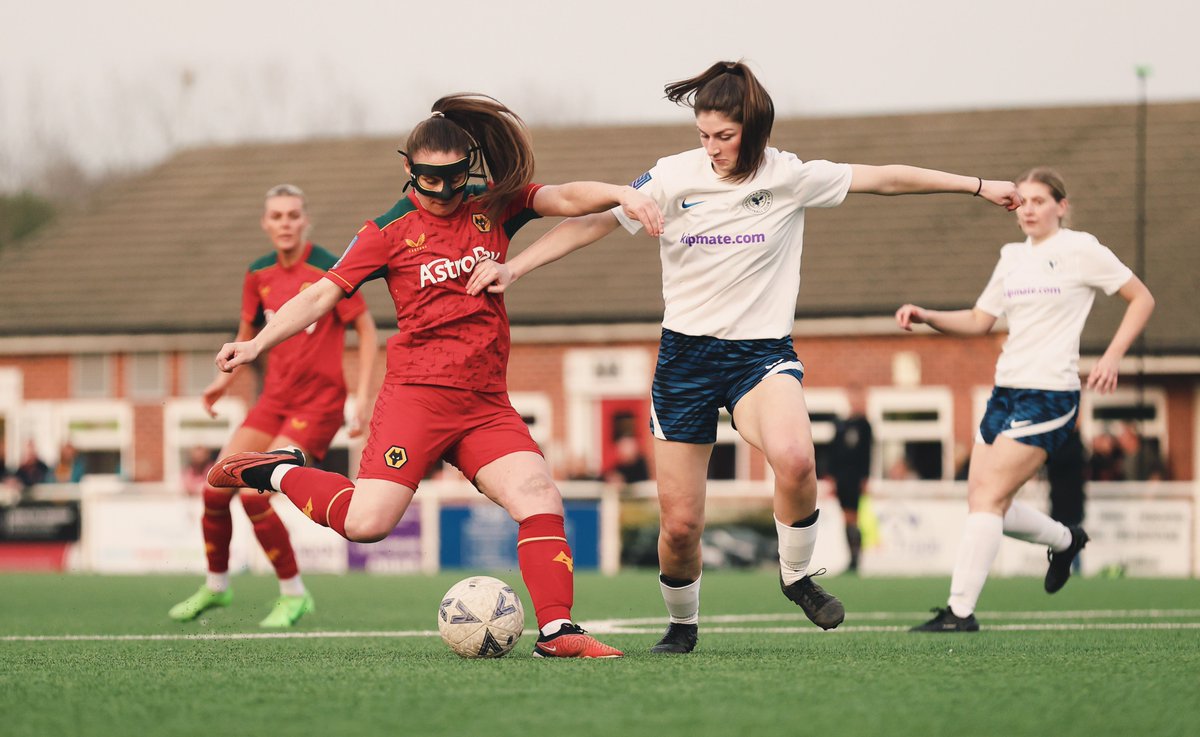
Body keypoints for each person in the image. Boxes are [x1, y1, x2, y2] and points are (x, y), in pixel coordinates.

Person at [464, 60, 1022, 653]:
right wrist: (515, 267)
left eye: (723, 136)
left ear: (754, 129)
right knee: (680, 528)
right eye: (703, 134)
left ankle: (797, 574)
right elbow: (594, 222)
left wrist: (979, 186)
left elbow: (885, 178)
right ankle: (682, 626)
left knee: (796, 458)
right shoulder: (675, 175)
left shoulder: (790, 175)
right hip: (685, 362)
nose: (711, 148)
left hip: (760, 356)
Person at [206, 94, 663, 658]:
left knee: (539, 494)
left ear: (466, 169)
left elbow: (567, 198)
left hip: (485, 405)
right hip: (415, 399)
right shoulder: (385, 232)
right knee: (367, 523)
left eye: (453, 179)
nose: (442, 193)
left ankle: (557, 632)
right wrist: (255, 344)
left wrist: (622, 192)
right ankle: (276, 472)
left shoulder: (494, 205)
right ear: (408, 169)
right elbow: (321, 293)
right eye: (429, 181)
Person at [896, 167, 1155, 632]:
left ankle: (959, 612)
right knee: (982, 498)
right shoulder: (1011, 257)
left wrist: (1112, 356)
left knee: (988, 499)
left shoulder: (1081, 249)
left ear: (1062, 206)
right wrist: (927, 315)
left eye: (1040, 200)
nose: (1030, 209)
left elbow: (1142, 299)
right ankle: (1064, 539)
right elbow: (980, 320)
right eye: (1023, 202)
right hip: (1005, 391)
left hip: (1050, 393)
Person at [169, 184, 379, 628]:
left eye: (293, 215)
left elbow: (366, 328)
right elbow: (246, 335)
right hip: (273, 400)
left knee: (252, 492)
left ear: (305, 221)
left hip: (319, 403)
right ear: (266, 224)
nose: (285, 223)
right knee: (214, 485)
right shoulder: (258, 273)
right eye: (277, 216)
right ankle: (217, 586)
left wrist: (361, 395)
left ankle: (293, 594)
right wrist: (220, 385)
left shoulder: (328, 267)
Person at [828, 386, 872, 573]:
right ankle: (851, 558)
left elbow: (867, 452)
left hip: (855, 477)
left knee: (854, 517)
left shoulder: (864, 426)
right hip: (841, 478)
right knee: (845, 517)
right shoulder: (840, 424)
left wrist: (865, 477)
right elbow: (832, 452)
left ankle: (856, 557)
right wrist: (831, 476)